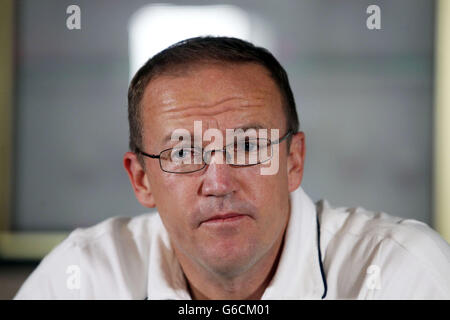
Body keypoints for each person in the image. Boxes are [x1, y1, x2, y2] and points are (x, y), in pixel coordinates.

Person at [15, 36, 450, 300]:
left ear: (293, 161)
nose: (219, 183)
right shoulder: (81, 279)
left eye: (248, 145)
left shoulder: (402, 272)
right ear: (141, 179)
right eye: (183, 153)